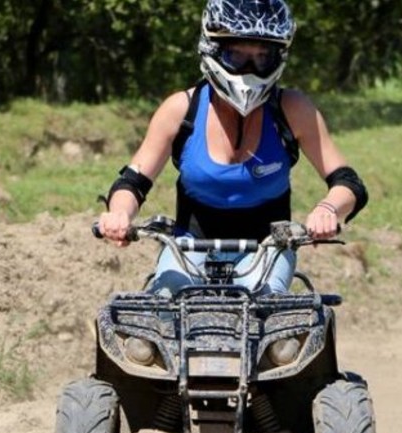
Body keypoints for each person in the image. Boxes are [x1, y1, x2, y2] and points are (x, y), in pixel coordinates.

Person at [96, 0, 368, 296]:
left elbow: (348, 182)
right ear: (212, 49)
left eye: (262, 56)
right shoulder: (180, 110)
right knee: (160, 312)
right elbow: (133, 182)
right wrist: (120, 214)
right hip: (190, 247)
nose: (249, 69)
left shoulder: (293, 110)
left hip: (267, 249)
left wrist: (328, 209)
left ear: (279, 57)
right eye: (236, 54)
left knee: (268, 309)